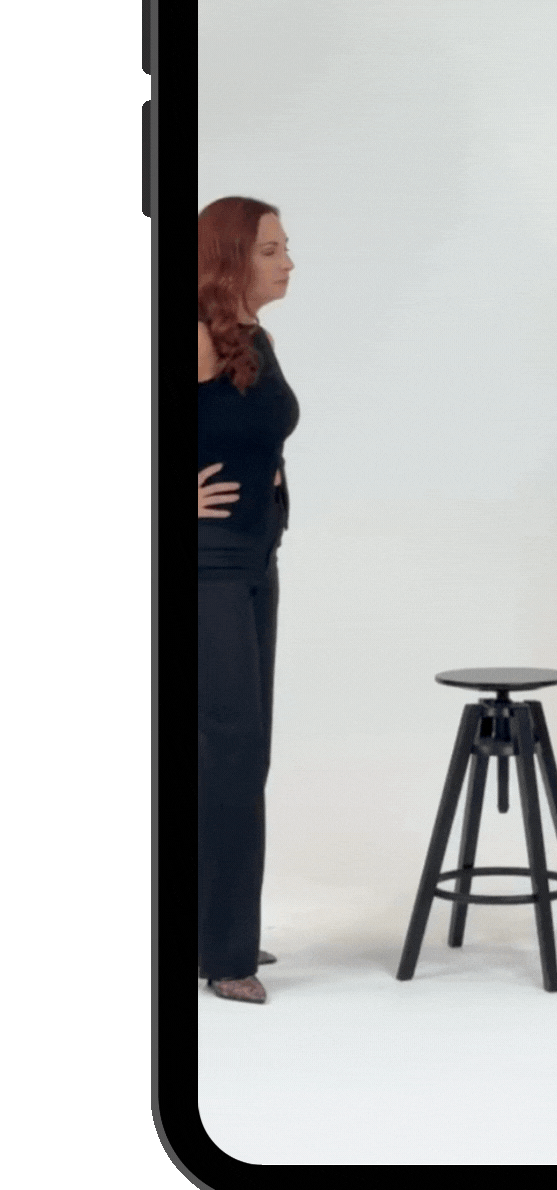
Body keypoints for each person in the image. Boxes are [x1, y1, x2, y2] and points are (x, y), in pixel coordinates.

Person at [198, 197, 299, 1004]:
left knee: (246, 752)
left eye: (285, 247)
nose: (288, 260)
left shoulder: (248, 337)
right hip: (207, 568)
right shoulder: (191, 334)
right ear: (230, 257)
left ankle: (220, 926)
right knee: (229, 750)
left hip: (256, 561)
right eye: (270, 248)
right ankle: (224, 956)